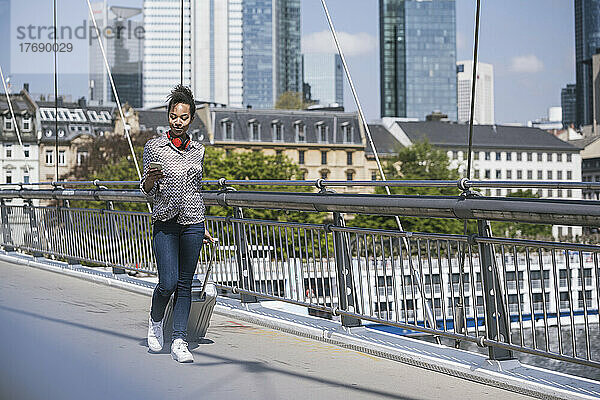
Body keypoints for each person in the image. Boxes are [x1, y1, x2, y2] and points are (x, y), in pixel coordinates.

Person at [140, 84, 214, 363]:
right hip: (164, 221)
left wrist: (204, 224)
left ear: (191, 119)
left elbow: (198, 188)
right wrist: (150, 179)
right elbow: (145, 189)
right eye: (173, 116)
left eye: (183, 117)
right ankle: (156, 322)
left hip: (193, 221)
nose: (178, 122)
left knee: (185, 284)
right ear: (168, 117)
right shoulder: (154, 146)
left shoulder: (198, 150)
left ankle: (179, 339)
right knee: (168, 282)